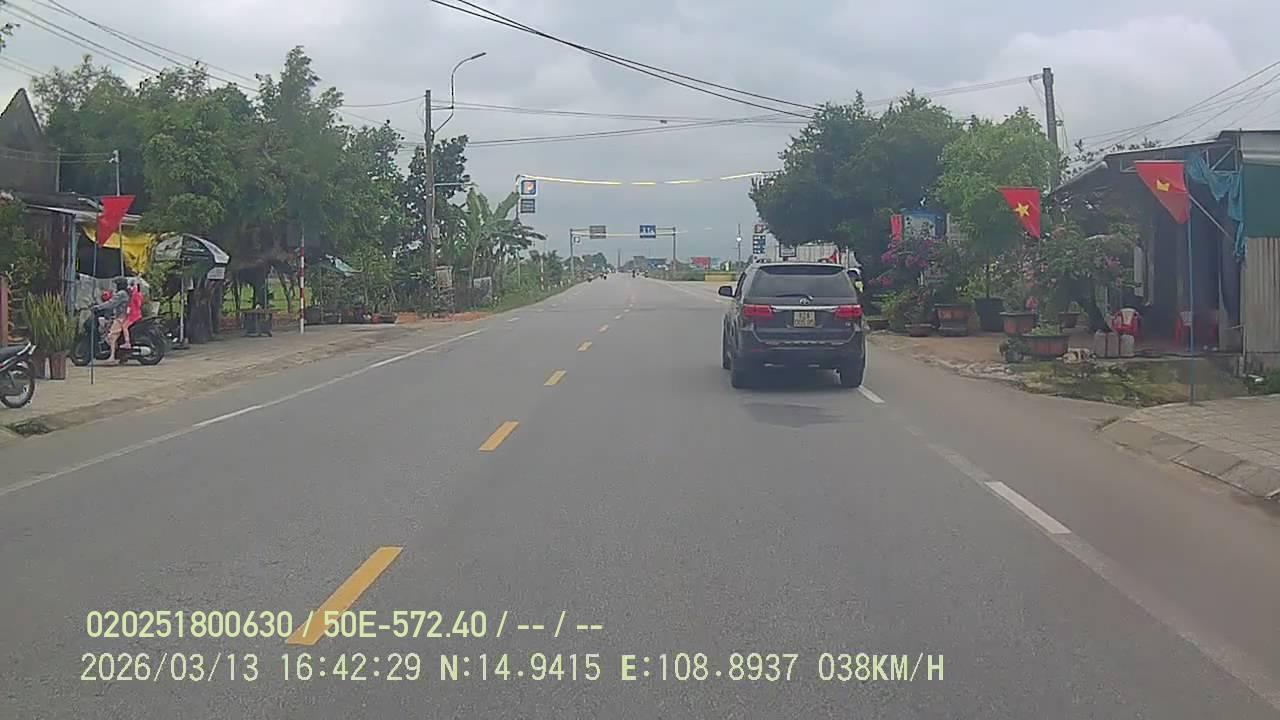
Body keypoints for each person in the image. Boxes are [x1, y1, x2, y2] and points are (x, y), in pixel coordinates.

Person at [92, 278, 131, 362]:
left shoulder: (121, 293)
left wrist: (98, 307)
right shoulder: (125, 293)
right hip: (122, 316)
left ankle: (112, 357)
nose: (115, 286)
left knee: (111, 337)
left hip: (120, 317)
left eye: (116, 284)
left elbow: (111, 303)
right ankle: (121, 355)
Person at [121, 280, 144, 349]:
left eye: (131, 285)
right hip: (137, 314)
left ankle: (127, 343)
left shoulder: (135, 294)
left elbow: (137, 304)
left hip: (133, 315)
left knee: (124, 326)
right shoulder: (139, 294)